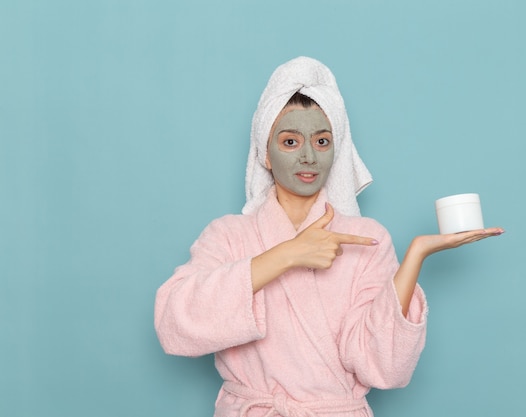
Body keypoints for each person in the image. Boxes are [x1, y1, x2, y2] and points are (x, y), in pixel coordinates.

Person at [154, 56, 504, 417]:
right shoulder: (227, 235)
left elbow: (384, 366)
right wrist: (288, 254)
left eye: (322, 141)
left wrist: (415, 256)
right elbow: (174, 323)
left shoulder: (366, 238)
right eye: (290, 142)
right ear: (265, 154)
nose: (308, 156)